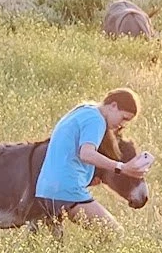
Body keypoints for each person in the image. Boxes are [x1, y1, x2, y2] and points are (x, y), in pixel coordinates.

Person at [34, 88, 151, 231]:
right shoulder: (96, 120)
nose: (122, 125)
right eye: (123, 118)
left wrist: (88, 177)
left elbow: (69, 155)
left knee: (53, 242)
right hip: (67, 191)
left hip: (46, 189)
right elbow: (86, 154)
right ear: (113, 105)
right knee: (115, 233)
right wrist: (122, 168)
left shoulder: (84, 110)